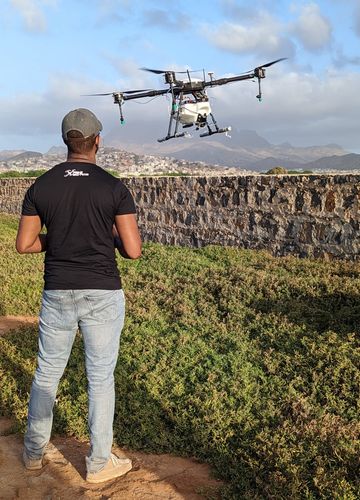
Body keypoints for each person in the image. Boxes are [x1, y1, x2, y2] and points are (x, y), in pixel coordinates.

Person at [16, 108, 142, 484]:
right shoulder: (114, 187)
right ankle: (99, 463)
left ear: (65, 141)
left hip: (57, 289)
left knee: (47, 373)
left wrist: (60, 240)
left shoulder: (40, 186)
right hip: (102, 290)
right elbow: (133, 250)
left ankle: (33, 454)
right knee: (100, 378)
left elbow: (24, 244)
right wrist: (107, 240)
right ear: (97, 141)